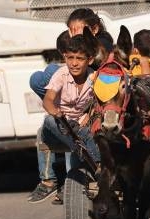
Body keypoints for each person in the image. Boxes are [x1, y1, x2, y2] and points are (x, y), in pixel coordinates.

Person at [27, 31, 102, 203]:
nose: (74, 63)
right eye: (70, 58)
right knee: (48, 121)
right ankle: (95, 160)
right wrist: (55, 112)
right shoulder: (61, 74)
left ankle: (97, 164)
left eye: (79, 59)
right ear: (65, 58)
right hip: (60, 126)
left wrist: (88, 117)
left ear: (89, 60)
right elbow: (48, 99)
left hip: (80, 126)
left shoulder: (94, 77)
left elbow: (99, 103)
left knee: (88, 129)